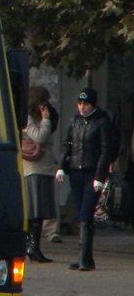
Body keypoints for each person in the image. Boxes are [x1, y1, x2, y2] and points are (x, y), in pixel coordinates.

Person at [56, 87, 118, 271]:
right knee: (80, 211)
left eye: (86, 104)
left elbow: (106, 150)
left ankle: (84, 257)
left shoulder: (102, 122)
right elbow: (68, 144)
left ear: (93, 104)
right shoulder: (75, 121)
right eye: (80, 103)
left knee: (85, 213)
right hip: (76, 171)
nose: (82, 107)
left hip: (92, 172)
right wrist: (61, 166)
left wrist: (100, 177)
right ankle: (85, 257)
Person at [22, 85, 58, 263]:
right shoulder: (28, 118)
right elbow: (40, 137)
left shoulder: (36, 117)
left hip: (44, 167)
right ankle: (32, 246)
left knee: (40, 210)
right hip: (34, 169)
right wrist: (45, 120)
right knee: (35, 210)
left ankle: (34, 246)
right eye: (43, 102)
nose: (46, 106)